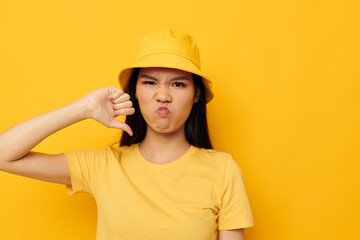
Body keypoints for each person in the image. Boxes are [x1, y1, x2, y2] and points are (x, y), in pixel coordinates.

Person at [0, 29, 254, 240]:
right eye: (150, 82)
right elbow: (4, 155)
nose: (163, 95)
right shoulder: (104, 166)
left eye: (178, 83)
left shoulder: (223, 170)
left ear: (196, 95)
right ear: (134, 92)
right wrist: (84, 108)